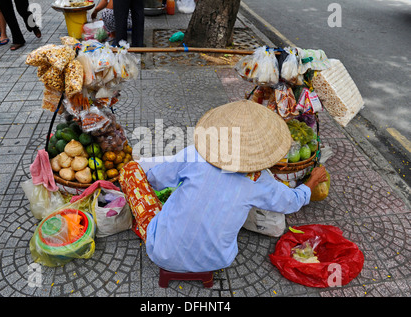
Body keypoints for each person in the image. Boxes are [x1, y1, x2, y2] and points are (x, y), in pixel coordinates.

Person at [132, 99, 328, 273]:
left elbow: (155, 179)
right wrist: (311, 183)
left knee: (133, 173)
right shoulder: (259, 180)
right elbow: (291, 202)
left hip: (161, 251)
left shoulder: (194, 155)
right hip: (215, 260)